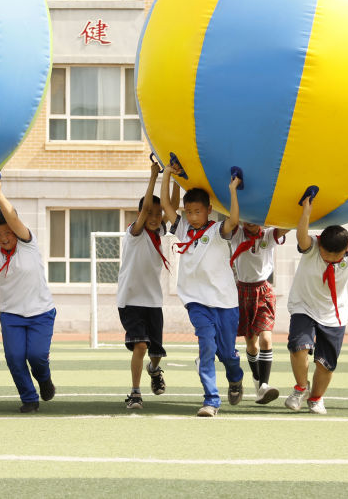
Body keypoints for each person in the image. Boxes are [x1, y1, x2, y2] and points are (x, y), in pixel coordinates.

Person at [284, 195, 348, 414]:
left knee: (326, 363)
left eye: (336, 256)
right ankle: (300, 388)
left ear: (346, 248)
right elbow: (301, 236)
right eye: (326, 255)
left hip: (334, 314)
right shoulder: (312, 247)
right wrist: (306, 212)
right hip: (304, 306)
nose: (330, 259)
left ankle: (316, 398)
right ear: (320, 243)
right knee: (298, 347)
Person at [160, 164, 244, 417]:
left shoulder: (218, 231)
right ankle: (211, 400)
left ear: (209, 210)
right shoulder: (183, 227)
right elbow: (166, 205)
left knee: (227, 354)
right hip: (196, 301)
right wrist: (166, 175)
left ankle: (235, 377)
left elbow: (234, 220)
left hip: (225, 301)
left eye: (198, 211)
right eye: (189, 212)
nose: (193, 216)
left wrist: (232, 191)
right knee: (206, 346)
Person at [0, 175, 57, 413]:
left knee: (36, 357)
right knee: (14, 358)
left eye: (7, 233)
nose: (3, 238)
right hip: (11, 315)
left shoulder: (26, 241)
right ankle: (29, 398)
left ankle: (44, 378)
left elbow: (11, 216)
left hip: (40, 313)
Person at [117, 161, 171, 410]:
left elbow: (170, 205)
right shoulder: (134, 232)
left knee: (156, 353)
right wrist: (153, 176)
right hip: (130, 301)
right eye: (149, 212)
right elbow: (148, 207)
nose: (154, 217)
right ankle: (135, 393)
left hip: (153, 302)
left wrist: (173, 177)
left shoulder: (160, 232)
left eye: (158, 214)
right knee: (140, 344)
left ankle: (154, 369)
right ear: (140, 214)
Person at [230, 219, 288, 405]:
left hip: (263, 291)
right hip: (242, 291)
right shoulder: (237, 234)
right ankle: (258, 381)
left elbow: (289, 224)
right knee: (251, 345)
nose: (250, 223)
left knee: (265, 339)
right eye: (247, 218)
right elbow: (231, 218)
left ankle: (264, 384)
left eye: (255, 219)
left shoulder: (268, 235)